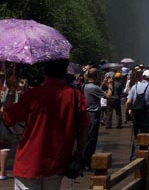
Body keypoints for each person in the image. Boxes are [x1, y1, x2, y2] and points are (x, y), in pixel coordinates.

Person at [3, 59, 88, 190]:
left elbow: (8, 118)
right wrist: (81, 152)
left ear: (44, 72)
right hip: (58, 161)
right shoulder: (76, 97)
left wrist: (11, 90)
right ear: (65, 72)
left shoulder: (33, 95)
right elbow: (83, 129)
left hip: (29, 160)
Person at [125, 70, 149, 160]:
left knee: (136, 134)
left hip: (135, 113)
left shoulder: (135, 86)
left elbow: (128, 102)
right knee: (145, 134)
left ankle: (133, 156)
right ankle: (142, 155)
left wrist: (126, 113)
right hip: (146, 113)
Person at [83, 67, 111, 170]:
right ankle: (87, 162)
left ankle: (85, 161)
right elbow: (108, 95)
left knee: (87, 137)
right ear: (95, 76)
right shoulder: (94, 88)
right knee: (92, 139)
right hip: (93, 115)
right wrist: (110, 85)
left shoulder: (86, 86)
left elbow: (97, 90)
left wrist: (103, 83)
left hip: (87, 113)